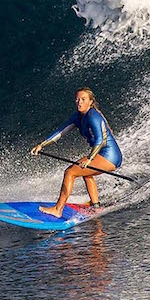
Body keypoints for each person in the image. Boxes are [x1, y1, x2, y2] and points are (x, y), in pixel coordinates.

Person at [30, 87, 123, 217]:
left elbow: (101, 140)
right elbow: (61, 132)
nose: (79, 102)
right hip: (105, 155)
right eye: (77, 99)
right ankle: (95, 206)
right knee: (85, 172)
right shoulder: (77, 117)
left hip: (109, 155)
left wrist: (89, 159)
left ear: (90, 102)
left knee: (70, 172)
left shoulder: (93, 116)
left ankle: (58, 209)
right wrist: (42, 145)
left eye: (83, 99)